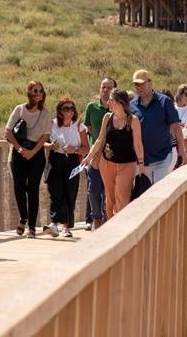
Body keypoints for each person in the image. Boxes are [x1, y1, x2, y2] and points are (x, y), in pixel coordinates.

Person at [81, 88, 145, 221]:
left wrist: (141, 164)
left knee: (121, 194)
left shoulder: (133, 120)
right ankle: (111, 226)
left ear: (119, 102)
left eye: (111, 99)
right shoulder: (107, 117)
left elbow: (138, 144)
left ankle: (121, 226)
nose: (108, 102)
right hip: (107, 163)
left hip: (127, 164)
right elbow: (100, 139)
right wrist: (89, 157)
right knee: (109, 198)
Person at [5, 81, 53, 237]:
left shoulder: (45, 113)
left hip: (36, 153)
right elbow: (8, 131)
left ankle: (31, 226)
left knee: (33, 189)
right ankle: (23, 218)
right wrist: (19, 149)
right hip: (18, 151)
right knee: (19, 187)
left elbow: (45, 136)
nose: (38, 93)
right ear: (29, 93)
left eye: (40, 90)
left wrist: (32, 152)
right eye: (35, 90)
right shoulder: (20, 109)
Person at [130, 69, 187, 184]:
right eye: (136, 84)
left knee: (158, 192)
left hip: (162, 158)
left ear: (150, 83)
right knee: (144, 196)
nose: (139, 87)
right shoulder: (131, 105)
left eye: (142, 84)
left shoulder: (164, 101)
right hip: (141, 161)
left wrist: (181, 149)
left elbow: (176, 126)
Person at [44, 97, 88, 238]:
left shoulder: (79, 126)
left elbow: (86, 148)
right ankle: (54, 224)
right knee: (55, 191)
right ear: (60, 111)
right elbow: (42, 143)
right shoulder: (52, 124)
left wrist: (74, 150)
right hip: (55, 159)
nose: (69, 111)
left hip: (72, 161)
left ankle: (66, 227)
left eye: (71, 108)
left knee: (70, 193)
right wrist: (51, 146)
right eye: (65, 108)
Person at [81, 77, 115, 231]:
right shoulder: (91, 107)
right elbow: (87, 129)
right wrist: (89, 150)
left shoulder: (117, 109)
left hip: (114, 156)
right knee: (93, 189)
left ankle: (109, 218)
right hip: (95, 155)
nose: (105, 90)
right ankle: (96, 218)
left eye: (109, 87)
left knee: (109, 190)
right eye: (103, 87)